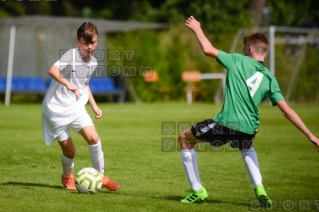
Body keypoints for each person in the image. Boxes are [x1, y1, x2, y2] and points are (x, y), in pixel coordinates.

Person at [179, 16, 319, 206]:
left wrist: (197, 28)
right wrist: (311, 136)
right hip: (248, 128)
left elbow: (208, 49)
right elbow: (287, 111)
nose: (243, 51)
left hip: (226, 123)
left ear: (251, 49)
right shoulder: (270, 79)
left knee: (184, 138)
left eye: (245, 48)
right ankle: (259, 187)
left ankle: (197, 190)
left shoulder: (237, 60)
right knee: (246, 145)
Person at [41, 22, 120, 191]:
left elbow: (84, 84)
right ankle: (67, 177)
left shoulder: (93, 63)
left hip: (76, 107)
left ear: (97, 40)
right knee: (70, 152)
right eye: (86, 43)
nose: (90, 47)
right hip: (56, 110)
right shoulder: (71, 55)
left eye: (93, 43)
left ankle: (101, 177)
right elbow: (52, 70)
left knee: (94, 138)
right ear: (78, 41)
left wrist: (94, 105)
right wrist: (68, 84)